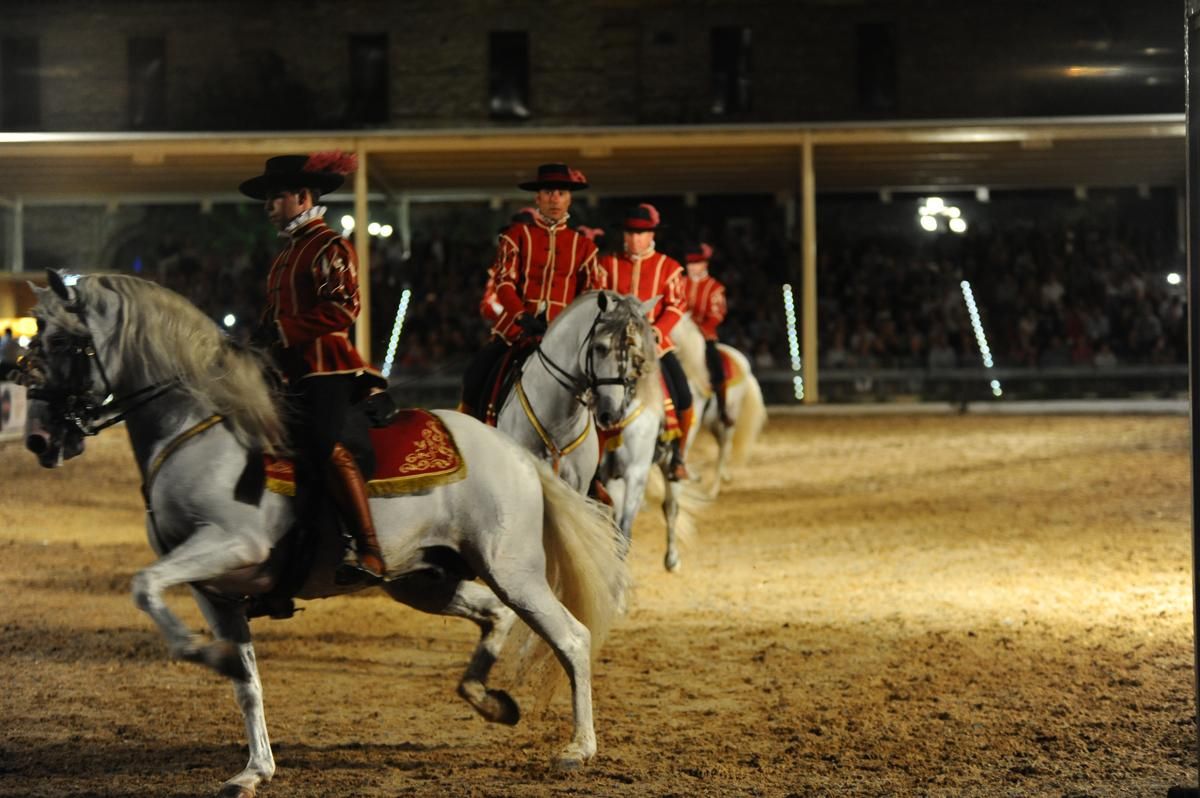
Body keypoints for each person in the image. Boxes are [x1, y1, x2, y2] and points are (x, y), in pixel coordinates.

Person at [239, 152, 388, 583]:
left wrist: (283, 330)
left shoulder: (329, 245)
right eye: (266, 199)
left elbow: (344, 308)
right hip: (290, 371)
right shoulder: (285, 255)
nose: (268, 206)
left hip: (328, 369)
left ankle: (369, 548)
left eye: (275, 198)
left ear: (303, 197)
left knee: (322, 445)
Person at [460, 163, 605, 421]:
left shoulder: (584, 247)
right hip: (517, 329)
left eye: (561, 193)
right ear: (537, 197)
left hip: (565, 334)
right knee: (477, 372)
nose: (555, 199)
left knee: (605, 381)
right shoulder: (516, 235)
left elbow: (590, 295)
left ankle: (603, 439)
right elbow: (504, 283)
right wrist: (520, 315)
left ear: (570, 198)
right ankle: (470, 427)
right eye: (548, 193)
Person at [595, 203, 693, 481]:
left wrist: (658, 331)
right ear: (624, 235)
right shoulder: (606, 264)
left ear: (653, 236)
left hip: (655, 347)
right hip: (613, 347)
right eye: (631, 233)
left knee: (683, 396)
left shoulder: (669, 267)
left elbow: (675, 305)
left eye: (642, 233)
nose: (636, 239)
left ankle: (678, 456)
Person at [684, 242, 732, 426]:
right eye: (690, 264)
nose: (692, 267)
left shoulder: (715, 287)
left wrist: (700, 328)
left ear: (704, 264)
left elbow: (718, 313)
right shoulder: (681, 283)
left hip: (704, 335)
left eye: (695, 263)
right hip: (680, 334)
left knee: (715, 364)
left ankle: (722, 408)